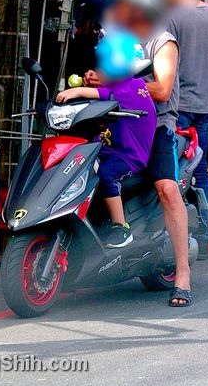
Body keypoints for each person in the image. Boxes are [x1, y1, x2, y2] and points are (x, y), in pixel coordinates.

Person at [88, 0, 192, 306]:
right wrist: (95, 79)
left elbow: (159, 90)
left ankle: (184, 273)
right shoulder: (119, 38)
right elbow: (108, 77)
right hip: (117, 123)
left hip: (157, 127)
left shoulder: (163, 41)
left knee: (167, 189)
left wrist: (113, 82)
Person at [56, 31, 156, 248]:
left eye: (104, 66)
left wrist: (78, 91)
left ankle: (121, 228)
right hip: (109, 149)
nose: (100, 70)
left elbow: (102, 96)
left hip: (128, 156)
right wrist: (92, 81)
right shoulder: (118, 84)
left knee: (106, 174)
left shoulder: (133, 86)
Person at [153, 0, 208, 256]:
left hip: (178, 106)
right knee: (202, 168)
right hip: (207, 105)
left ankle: (178, 239)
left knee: (172, 174)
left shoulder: (169, 18)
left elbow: (161, 59)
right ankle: (204, 238)